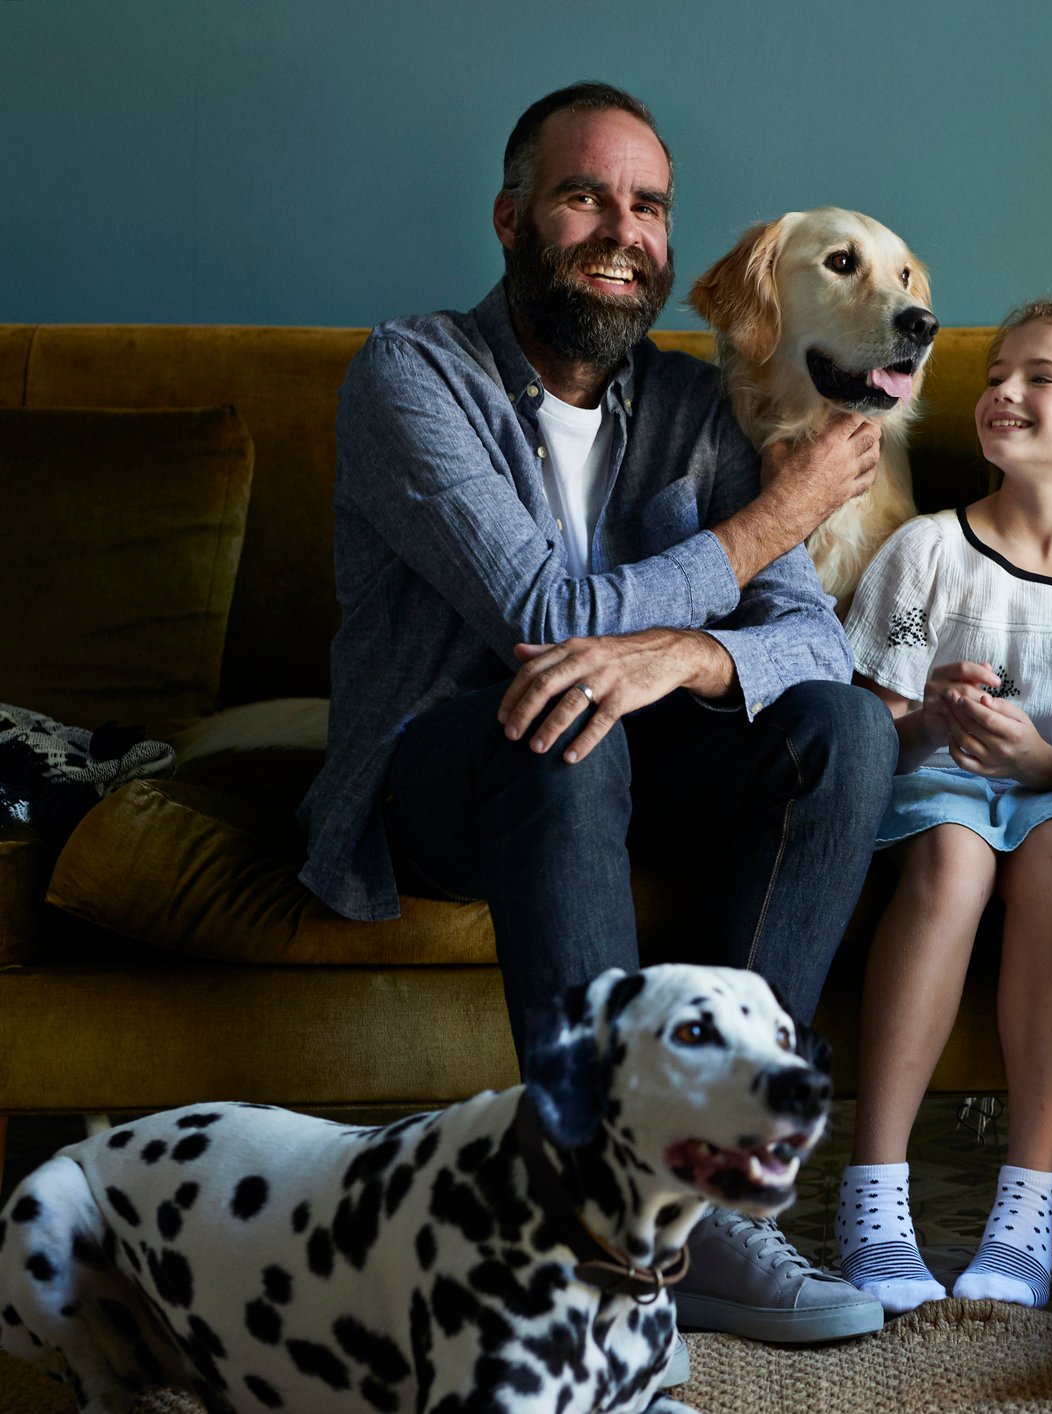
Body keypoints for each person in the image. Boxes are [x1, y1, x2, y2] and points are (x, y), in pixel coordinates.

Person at [298, 81, 897, 1345]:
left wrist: (675, 656)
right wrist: (767, 523)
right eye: (585, 197)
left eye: (649, 206)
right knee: (563, 719)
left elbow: (813, 641)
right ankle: (602, 1218)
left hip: (628, 759)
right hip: (445, 769)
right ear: (514, 219)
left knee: (844, 732)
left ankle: (716, 1200)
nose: (624, 231)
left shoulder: (690, 408)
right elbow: (546, 608)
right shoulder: (411, 373)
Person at [833, 301, 1052, 1314]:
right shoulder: (927, 550)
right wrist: (934, 720)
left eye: (1038, 378)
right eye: (992, 376)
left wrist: (1043, 760)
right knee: (954, 854)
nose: (1001, 394)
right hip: (932, 792)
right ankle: (874, 1193)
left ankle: (1027, 1205)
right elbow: (870, 735)